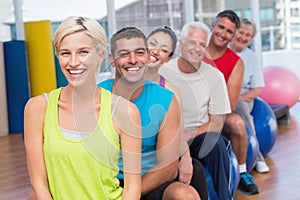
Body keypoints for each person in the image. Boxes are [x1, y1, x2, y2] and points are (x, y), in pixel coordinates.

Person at [24, 16, 142, 200]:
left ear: (100, 55)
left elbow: (132, 189)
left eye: (83, 52)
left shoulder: (125, 112)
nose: (73, 62)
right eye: (65, 53)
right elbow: (39, 184)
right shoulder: (37, 109)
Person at [99, 27, 200, 200]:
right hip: (105, 184)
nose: (132, 60)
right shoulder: (96, 96)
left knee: (185, 195)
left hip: (147, 183)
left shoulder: (166, 99)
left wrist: (128, 196)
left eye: (139, 53)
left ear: (146, 57)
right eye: (124, 54)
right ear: (112, 60)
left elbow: (168, 167)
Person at [159, 22, 233, 200]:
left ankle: (225, 197)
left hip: (199, 137)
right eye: (192, 42)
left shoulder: (215, 76)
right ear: (181, 44)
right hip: (168, 138)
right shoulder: (163, 71)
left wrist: (189, 134)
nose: (197, 48)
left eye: (202, 44)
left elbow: (217, 123)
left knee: (215, 142)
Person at [146, 26, 208, 200]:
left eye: (164, 49)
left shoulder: (171, 91)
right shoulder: (125, 82)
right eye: (153, 44)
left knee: (195, 169)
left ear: (169, 58)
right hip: (138, 161)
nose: (156, 51)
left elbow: (179, 133)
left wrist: (186, 158)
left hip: (162, 160)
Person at [204, 10, 259, 195]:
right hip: (189, 112)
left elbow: (229, 104)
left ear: (232, 35)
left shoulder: (236, 62)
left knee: (236, 122)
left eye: (229, 31)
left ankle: (242, 172)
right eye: (220, 27)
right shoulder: (196, 52)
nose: (223, 34)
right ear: (213, 26)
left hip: (216, 114)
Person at [229, 18, 269, 173]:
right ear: (233, 33)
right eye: (241, 32)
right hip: (220, 96)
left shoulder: (252, 57)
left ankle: (257, 157)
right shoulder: (222, 51)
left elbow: (256, 89)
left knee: (239, 108)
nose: (244, 37)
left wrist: (236, 98)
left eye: (248, 35)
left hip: (242, 98)